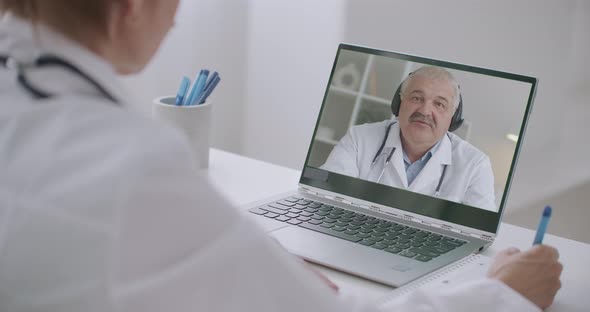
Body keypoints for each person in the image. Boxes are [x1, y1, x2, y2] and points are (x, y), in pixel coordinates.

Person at [0, 1, 562, 311]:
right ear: (131, 7)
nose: (175, 18)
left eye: (440, 104)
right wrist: (500, 296)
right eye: (417, 97)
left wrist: (249, 260)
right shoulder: (132, 163)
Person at [321, 66, 496, 211]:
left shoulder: (476, 165)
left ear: (453, 117)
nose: (425, 111)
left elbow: (479, 235)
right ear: (399, 103)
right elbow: (324, 196)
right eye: (416, 98)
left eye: (439, 104)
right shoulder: (359, 138)